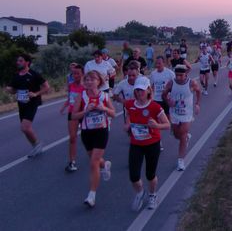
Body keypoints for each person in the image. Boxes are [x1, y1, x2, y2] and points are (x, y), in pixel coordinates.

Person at [124, 77, 170, 211]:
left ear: (149, 90)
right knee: (133, 176)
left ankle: (152, 194)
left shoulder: (155, 107)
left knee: (150, 174)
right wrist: (127, 124)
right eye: (137, 90)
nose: (139, 93)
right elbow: (128, 115)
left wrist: (156, 125)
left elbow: (167, 125)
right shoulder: (129, 104)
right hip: (136, 144)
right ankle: (140, 192)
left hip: (152, 144)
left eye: (142, 90)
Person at [72, 70, 115, 208]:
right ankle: (105, 165)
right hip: (87, 132)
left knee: (93, 163)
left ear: (99, 81)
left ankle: (92, 195)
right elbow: (73, 116)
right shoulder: (81, 96)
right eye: (87, 80)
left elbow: (113, 113)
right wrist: (85, 111)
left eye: (93, 79)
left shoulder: (104, 96)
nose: (89, 82)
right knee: (94, 159)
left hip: (101, 131)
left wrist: (104, 109)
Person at [6, 54, 50, 158]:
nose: (18, 62)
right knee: (24, 128)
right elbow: (12, 89)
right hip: (21, 104)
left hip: (32, 103)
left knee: (25, 127)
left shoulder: (34, 74)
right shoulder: (17, 76)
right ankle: (36, 146)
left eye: (21, 61)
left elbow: (46, 87)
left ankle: (38, 145)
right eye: (18, 61)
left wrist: (35, 94)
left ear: (27, 62)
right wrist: (10, 89)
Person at [162, 65, 201, 171]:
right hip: (174, 113)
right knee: (176, 135)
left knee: (182, 135)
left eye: (181, 75)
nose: (179, 77)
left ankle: (180, 161)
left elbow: (198, 91)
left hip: (186, 114)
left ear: (186, 74)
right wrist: (168, 101)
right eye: (177, 75)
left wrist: (197, 104)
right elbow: (164, 94)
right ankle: (186, 137)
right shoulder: (171, 83)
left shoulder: (191, 83)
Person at [60, 64, 84, 172]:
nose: (75, 75)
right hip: (72, 113)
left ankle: (97, 158)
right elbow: (70, 99)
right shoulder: (70, 85)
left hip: (84, 113)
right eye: (73, 73)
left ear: (82, 74)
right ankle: (72, 162)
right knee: (72, 137)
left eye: (78, 73)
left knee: (88, 138)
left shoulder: (86, 86)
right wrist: (63, 107)